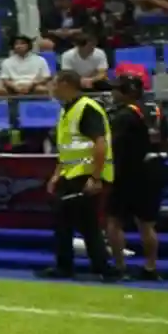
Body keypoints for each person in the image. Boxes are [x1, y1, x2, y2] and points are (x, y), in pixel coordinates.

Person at [37, 70, 116, 281]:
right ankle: (66, 266)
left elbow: (100, 143)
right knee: (62, 221)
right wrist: (57, 174)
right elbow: (66, 148)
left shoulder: (86, 108)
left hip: (86, 173)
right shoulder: (66, 111)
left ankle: (102, 267)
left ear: (65, 84)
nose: (51, 88)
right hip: (70, 174)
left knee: (87, 223)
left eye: (54, 83)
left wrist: (96, 177)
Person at [105, 76, 164, 281]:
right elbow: (167, 141)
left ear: (127, 92)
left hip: (127, 174)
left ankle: (120, 267)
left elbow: (113, 146)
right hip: (153, 172)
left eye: (116, 90)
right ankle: (150, 268)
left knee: (114, 221)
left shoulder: (123, 115)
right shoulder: (156, 110)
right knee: (147, 225)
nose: (113, 94)